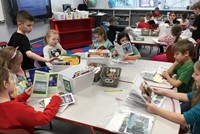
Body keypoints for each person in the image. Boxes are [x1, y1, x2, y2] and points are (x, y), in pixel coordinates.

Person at [0, 67, 61, 133]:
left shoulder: (10, 107)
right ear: (5, 84)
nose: (14, 82)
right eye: (11, 79)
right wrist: (56, 100)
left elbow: (8, 108)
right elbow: (44, 118)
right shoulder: (20, 108)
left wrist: (23, 96)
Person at [146, 60, 200, 134]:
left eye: (196, 74)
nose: (192, 75)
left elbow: (182, 119)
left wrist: (156, 110)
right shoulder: (198, 93)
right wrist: (165, 92)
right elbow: (185, 96)